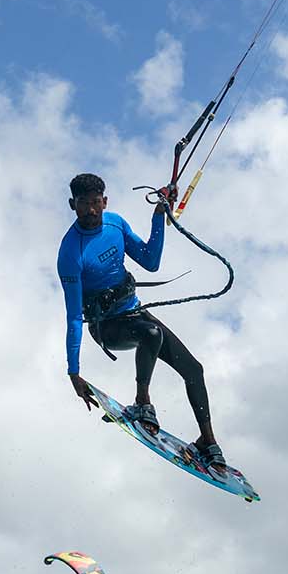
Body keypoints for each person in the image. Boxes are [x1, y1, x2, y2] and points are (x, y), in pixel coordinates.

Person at [57, 173, 224, 467]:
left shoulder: (115, 224)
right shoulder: (70, 253)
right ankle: (143, 403)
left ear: (105, 201)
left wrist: (159, 216)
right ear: (73, 205)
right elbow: (73, 318)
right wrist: (74, 372)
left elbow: (150, 261)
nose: (92, 211)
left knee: (194, 370)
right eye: (84, 204)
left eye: (97, 203)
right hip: (106, 327)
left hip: (134, 314)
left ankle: (207, 441)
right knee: (150, 334)